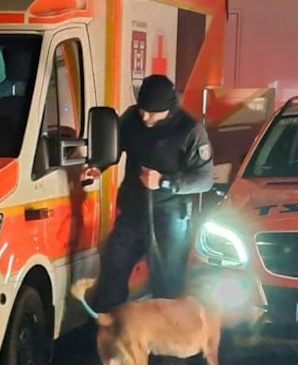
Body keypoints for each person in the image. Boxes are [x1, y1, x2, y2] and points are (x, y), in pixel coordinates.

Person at [84, 74, 215, 311]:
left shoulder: (190, 130)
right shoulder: (132, 118)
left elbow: (204, 179)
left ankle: (166, 329)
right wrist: (98, 166)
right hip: (132, 210)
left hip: (170, 214)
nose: (145, 116)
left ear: (169, 108)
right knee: (113, 268)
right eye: (142, 109)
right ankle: (108, 325)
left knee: (167, 279)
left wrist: (164, 182)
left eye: (152, 113)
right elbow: (114, 146)